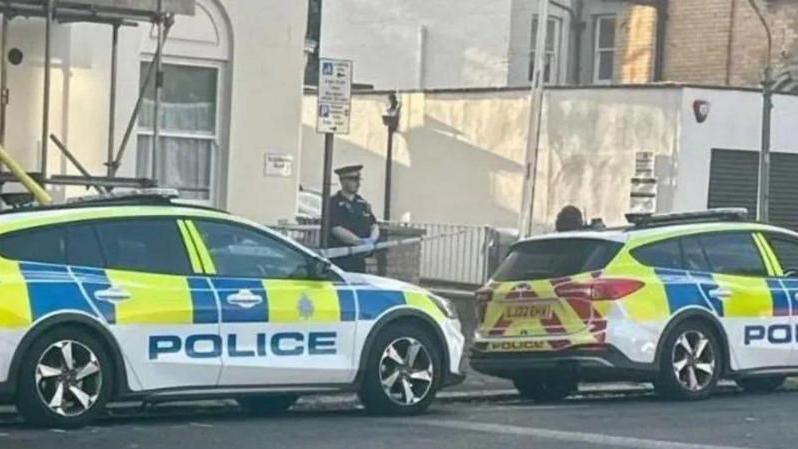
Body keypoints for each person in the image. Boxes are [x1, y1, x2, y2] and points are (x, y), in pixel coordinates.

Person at [327, 165, 380, 272]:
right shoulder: (333, 203)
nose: (358, 183)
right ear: (343, 181)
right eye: (353, 179)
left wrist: (372, 240)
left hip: (359, 260)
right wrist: (359, 242)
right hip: (340, 259)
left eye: (358, 179)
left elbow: (373, 225)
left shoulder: (362, 203)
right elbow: (336, 228)